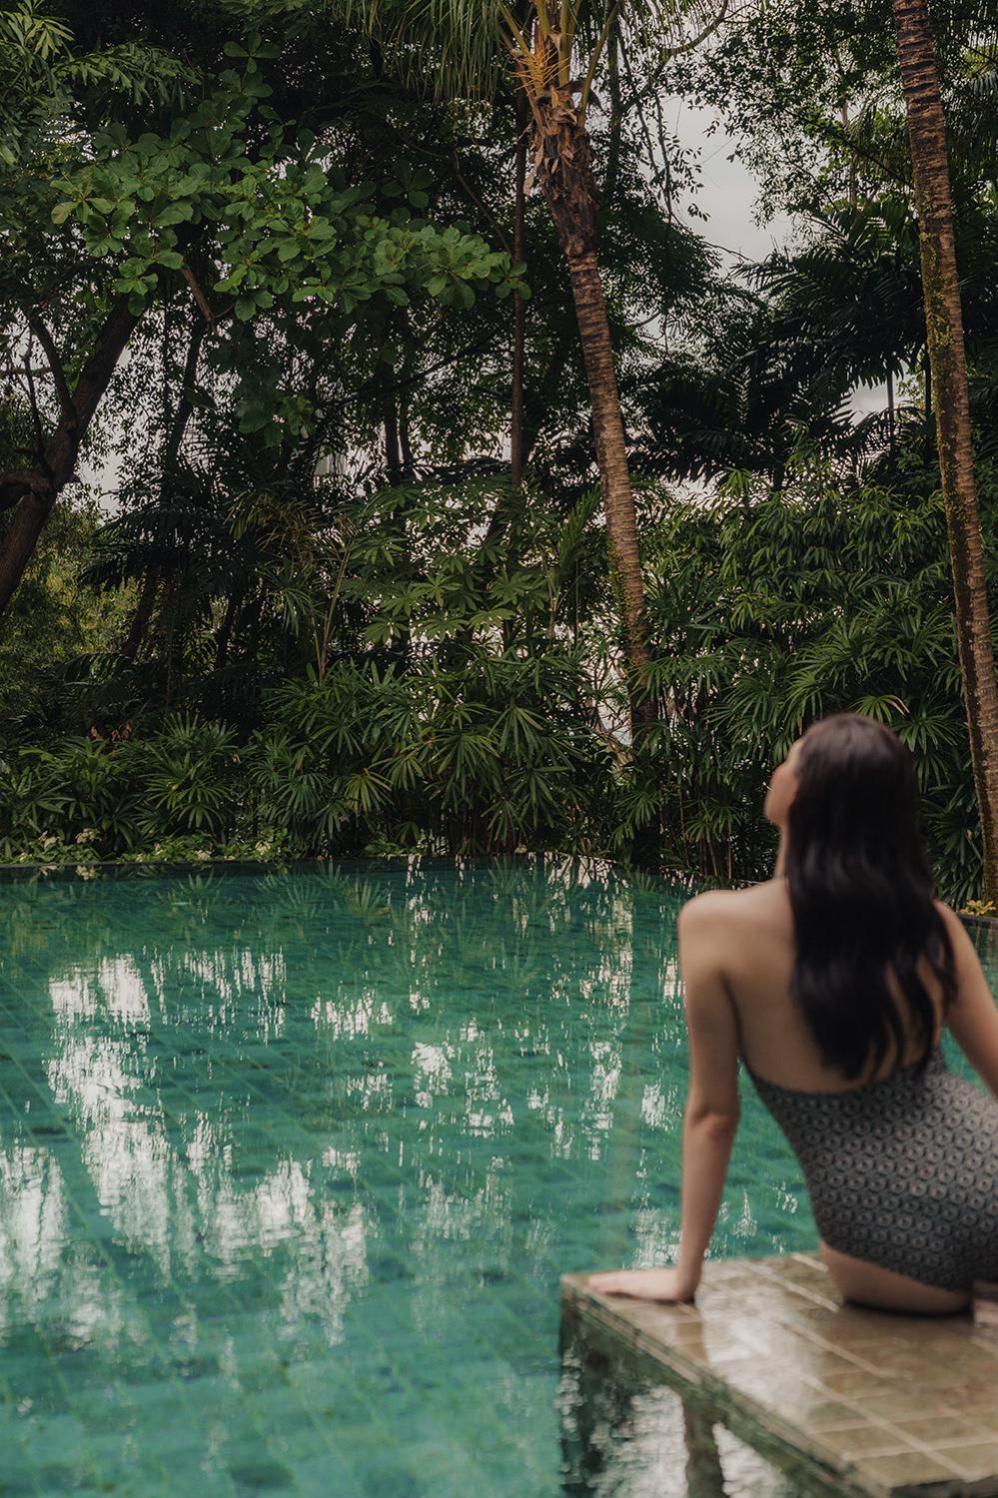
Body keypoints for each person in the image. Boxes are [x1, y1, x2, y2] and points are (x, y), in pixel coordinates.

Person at [590, 713, 998, 1314]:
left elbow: (713, 1116)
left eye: (791, 756)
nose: (778, 769)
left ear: (803, 792)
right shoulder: (928, 923)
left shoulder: (714, 925)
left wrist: (684, 1277)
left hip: (881, 1235)